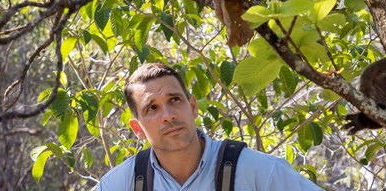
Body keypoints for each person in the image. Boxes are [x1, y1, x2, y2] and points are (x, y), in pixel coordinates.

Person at [97, 62, 323, 190]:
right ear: (138, 129)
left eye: (174, 99)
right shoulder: (121, 184)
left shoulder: (256, 170)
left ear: (193, 106)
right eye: (152, 108)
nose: (168, 115)